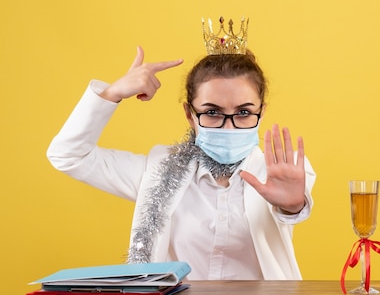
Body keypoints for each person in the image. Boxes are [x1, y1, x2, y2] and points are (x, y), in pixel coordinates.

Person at [47, 21, 315, 280]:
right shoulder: (156, 171)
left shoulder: (284, 170)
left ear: (262, 111)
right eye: (212, 112)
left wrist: (293, 206)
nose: (229, 127)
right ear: (189, 114)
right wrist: (113, 92)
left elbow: (292, 206)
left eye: (244, 112)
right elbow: (68, 155)